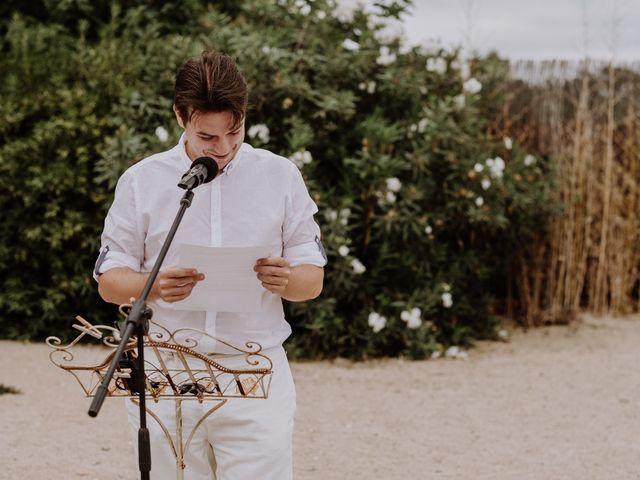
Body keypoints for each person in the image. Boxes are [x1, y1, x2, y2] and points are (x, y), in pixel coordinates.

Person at [93, 50, 326, 480]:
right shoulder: (141, 181)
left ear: (244, 115)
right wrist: (156, 285)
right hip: (166, 374)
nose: (222, 149)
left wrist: (286, 279)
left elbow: (311, 281)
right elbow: (109, 281)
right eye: (207, 137)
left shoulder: (280, 176)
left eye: (233, 133)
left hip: (255, 373)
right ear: (180, 116)